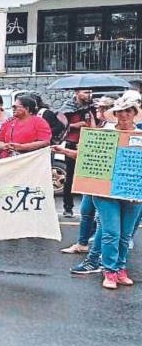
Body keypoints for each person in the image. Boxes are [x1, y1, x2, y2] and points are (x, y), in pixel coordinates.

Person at [67, 96, 142, 288]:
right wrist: (65, 151)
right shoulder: (104, 133)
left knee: (125, 235)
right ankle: (109, 271)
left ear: (134, 113)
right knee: (110, 233)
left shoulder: (140, 135)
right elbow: (87, 155)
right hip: (105, 192)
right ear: (115, 114)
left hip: (132, 192)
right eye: (120, 111)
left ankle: (120, 268)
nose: (124, 115)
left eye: (128, 110)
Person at [58, 96, 114, 255]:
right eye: (98, 108)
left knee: (100, 216)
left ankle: (95, 251)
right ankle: (83, 243)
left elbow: (95, 150)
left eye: (101, 108)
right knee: (87, 210)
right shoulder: (103, 125)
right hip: (93, 174)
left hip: (103, 176)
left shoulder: (111, 127)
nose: (98, 111)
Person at [59, 89, 95, 218]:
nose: (88, 95)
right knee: (70, 177)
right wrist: (75, 125)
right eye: (85, 92)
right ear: (77, 92)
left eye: (90, 92)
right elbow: (60, 125)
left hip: (90, 143)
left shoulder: (93, 107)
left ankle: (91, 208)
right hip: (72, 143)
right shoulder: (67, 107)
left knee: (90, 177)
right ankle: (68, 207)